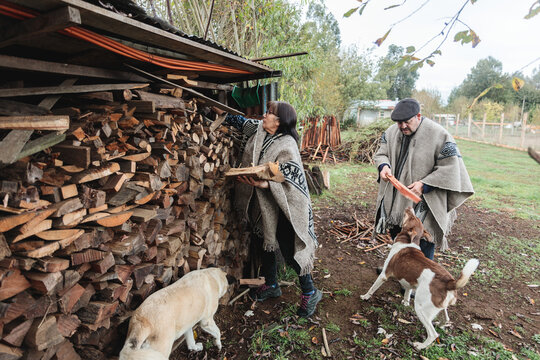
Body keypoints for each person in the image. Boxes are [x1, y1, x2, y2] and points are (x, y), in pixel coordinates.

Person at [213, 101, 322, 318]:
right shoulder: (258, 130)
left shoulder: (287, 143)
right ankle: (271, 285)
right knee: (265, 242)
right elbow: (240, 122)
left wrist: (266, 184)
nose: (264, 115)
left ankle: (310, 291)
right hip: (263, 204)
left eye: (269, 113)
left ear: (279, 121)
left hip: (285, 206)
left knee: (290, 249)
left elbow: (290, 176)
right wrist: (218, 112)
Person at [373, 98, 474, 259]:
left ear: (418, 116)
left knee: (424, 241)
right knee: (398, 236)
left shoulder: (439, 135)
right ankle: (402, 271)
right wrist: (383, 166)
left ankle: (421, 280)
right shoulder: (392, 132)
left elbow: (451, 167)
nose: (402, 126)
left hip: (425, 201)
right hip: (397, 199)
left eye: (407, 122)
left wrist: (424, 184)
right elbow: (381, 153)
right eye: (399, 123)